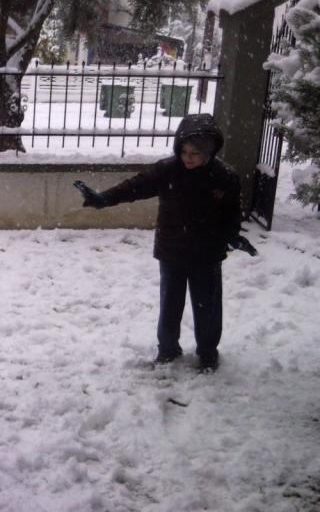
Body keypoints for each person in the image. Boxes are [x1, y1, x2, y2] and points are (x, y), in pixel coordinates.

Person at [75, 113, 257, 372]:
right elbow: (134, 187)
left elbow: (231, 213)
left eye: (194, 153)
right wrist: (103, 199)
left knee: (207, 307)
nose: (187, 158)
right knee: (170, 305)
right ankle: (168, 349)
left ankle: (207, 352)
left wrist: (233, 236)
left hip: (207, 254)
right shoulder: (167, 170)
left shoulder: (225, 176)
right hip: (172, 251)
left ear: (210, 150)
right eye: (183, 151)